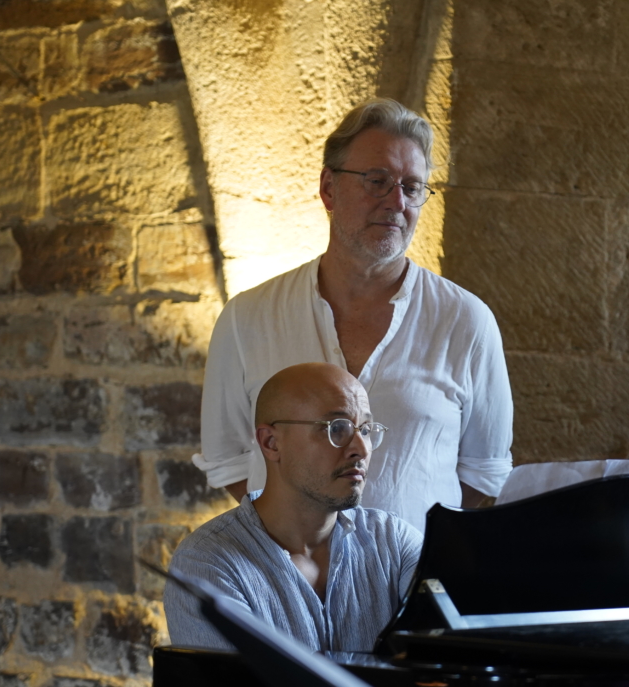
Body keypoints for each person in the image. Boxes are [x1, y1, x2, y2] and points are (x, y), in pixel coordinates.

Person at [196, 97, 513, 531]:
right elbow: (228, 458)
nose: (396, 202)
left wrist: (409, 544)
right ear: (329, 188)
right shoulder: (248, 317)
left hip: (414, 569)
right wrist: (297, 537)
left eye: (412, 187)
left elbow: (483, 470)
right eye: (377, 181)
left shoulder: (466, 321)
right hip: (284, 569)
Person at [165, 363, 422, 651]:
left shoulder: (395, 543)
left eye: (365, 430)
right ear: (271, 443)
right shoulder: (208, 563)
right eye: (337, 428)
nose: (360, 449)